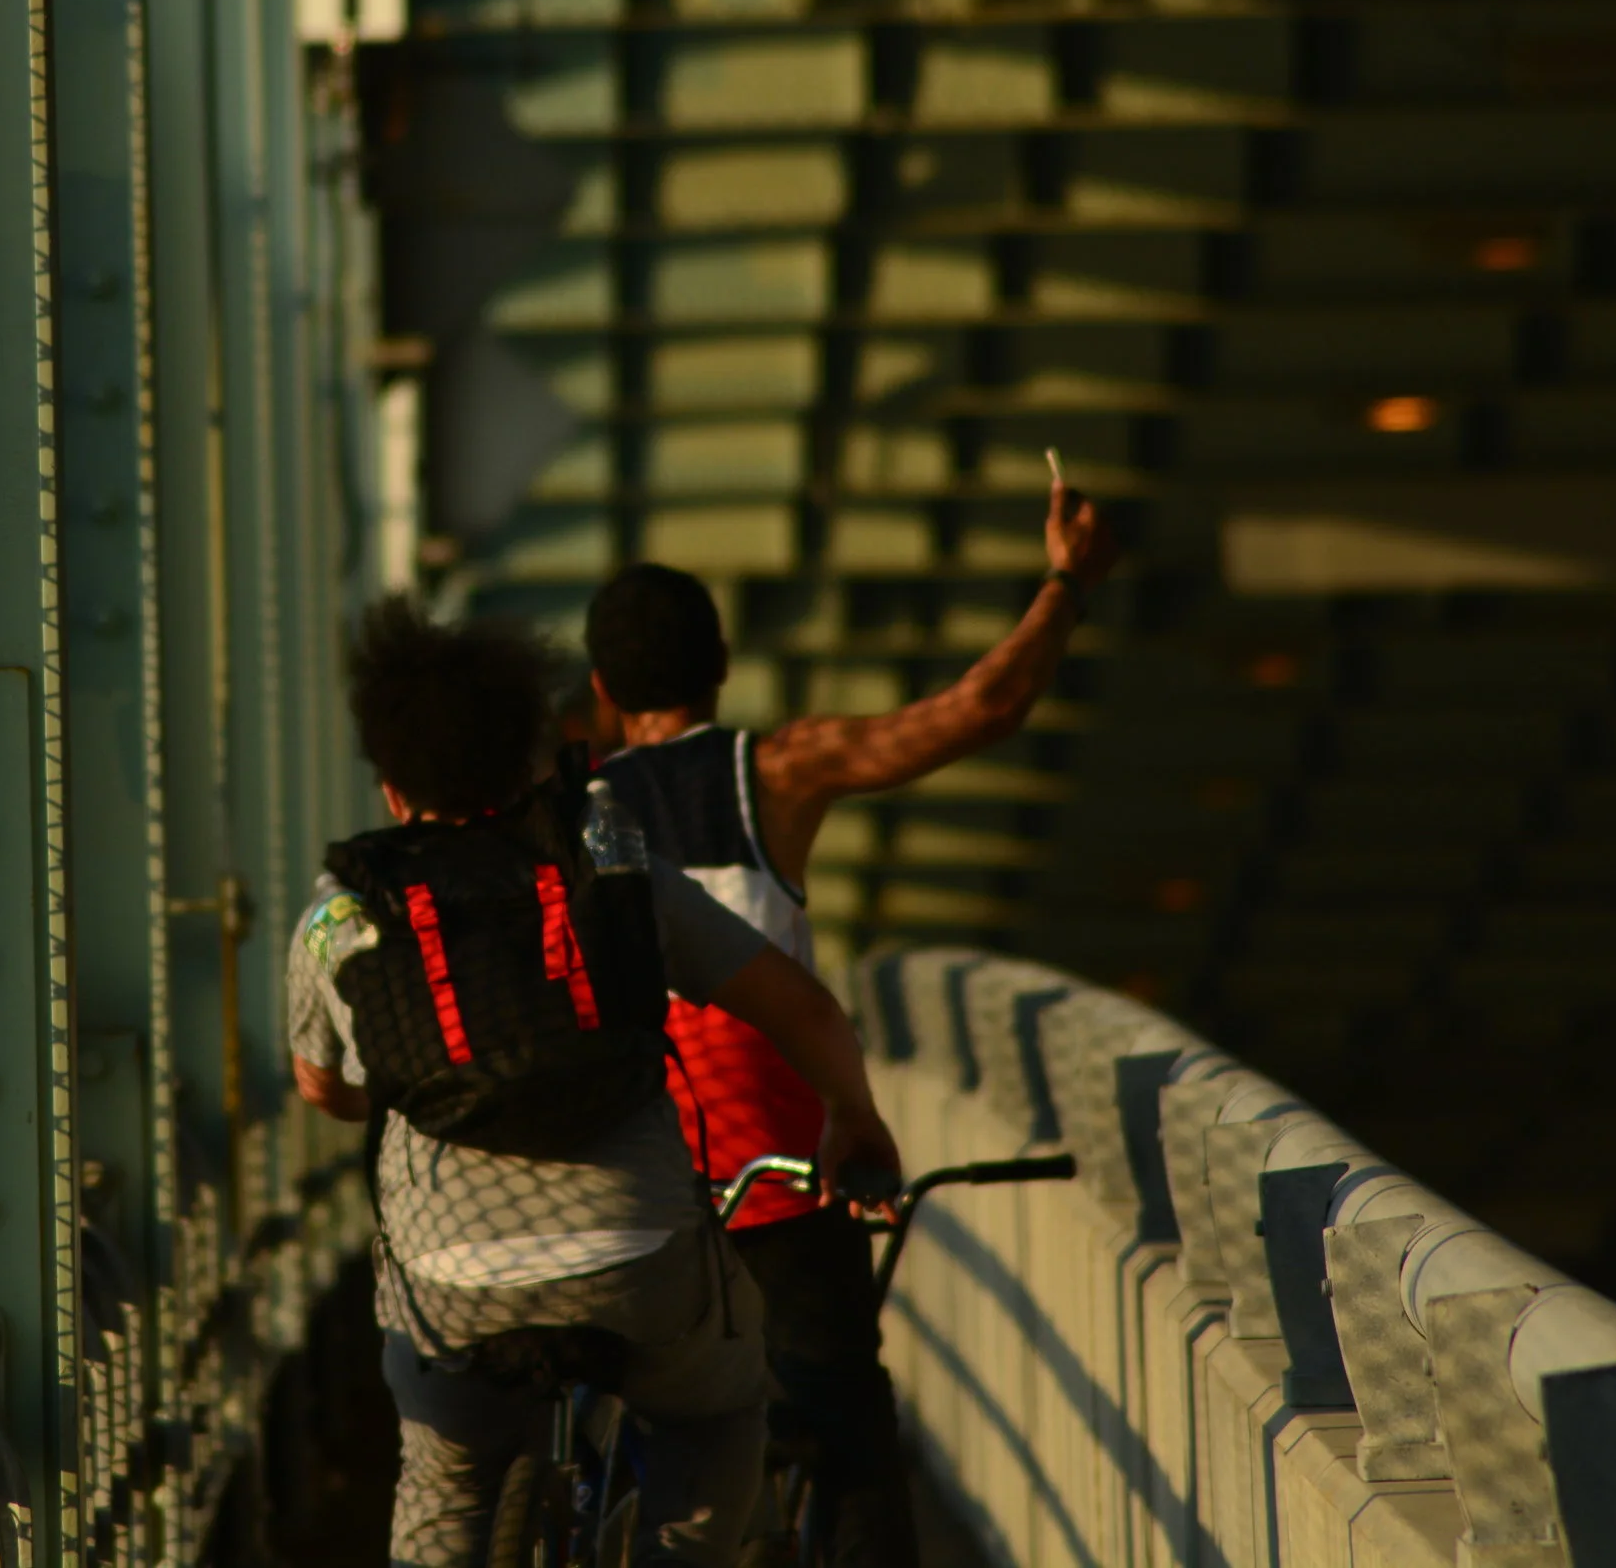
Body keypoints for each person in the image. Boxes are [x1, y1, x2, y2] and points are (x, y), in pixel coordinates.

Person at [288, 597, 900, 1568]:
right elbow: (802, 1008)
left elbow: (324, 1086)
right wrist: (852, 1117)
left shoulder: (342, 911)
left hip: (450, 1279)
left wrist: (398, 1085)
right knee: (717, 1409)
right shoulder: (605, 862)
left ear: (392, 787)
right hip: (638, 1247)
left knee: (444, 1473)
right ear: (533, 756)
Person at [587, 475, 1120, 1568]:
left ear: (600, 692)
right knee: (848, 1427)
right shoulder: (775, 770)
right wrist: (1066, 580)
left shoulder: (567, 816)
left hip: (630, 1187)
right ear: (722, 663)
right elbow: (981, 708)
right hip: (781, 1173)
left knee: (617, 1426)